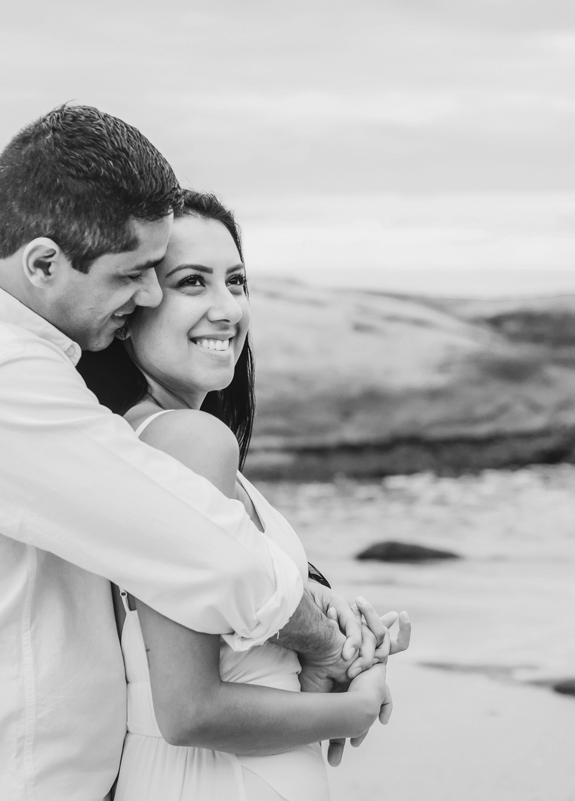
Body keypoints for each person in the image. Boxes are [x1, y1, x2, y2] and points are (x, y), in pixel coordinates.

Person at [0, 105, 374, 801]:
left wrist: (330, 610)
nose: (149, 292)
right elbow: (207, 556)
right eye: (136, 274)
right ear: (41, 261)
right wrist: (332, 648)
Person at [76, 190, 412, 801]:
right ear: (132, 306)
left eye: (235, 280)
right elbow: (190, 710)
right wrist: (358, 706)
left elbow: (246, 645)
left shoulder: (157, 443)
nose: (226, 308)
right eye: (191, 283)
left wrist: (339, 646)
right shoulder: (189, 442)